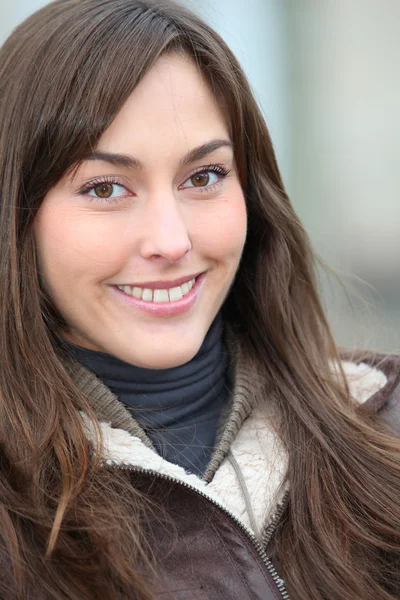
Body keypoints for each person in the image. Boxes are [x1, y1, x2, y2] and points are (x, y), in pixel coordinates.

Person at [0, 0, 398, 598]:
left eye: (204, 177)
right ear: (17, 217)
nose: (171, 240)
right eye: (106, 187)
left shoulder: (385, 426)